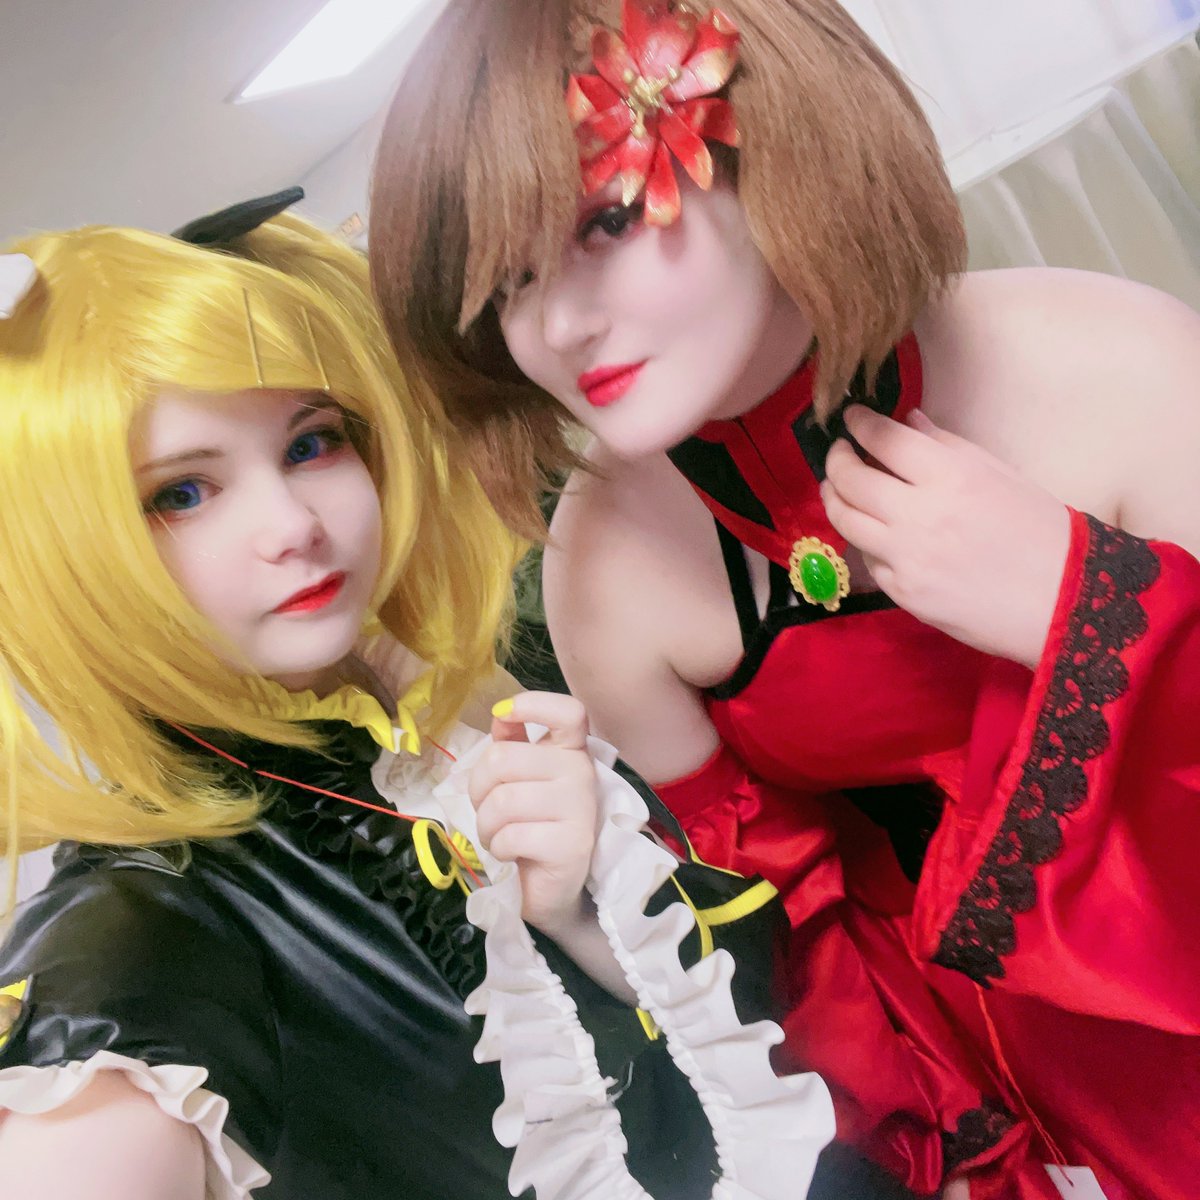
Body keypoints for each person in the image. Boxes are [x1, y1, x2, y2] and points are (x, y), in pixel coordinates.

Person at [368, 2, 1200, 1197]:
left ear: (771, 139)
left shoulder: (1112, 362)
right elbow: (787, 954)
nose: (556, 324)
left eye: (607, 220)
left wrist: (1090, 608)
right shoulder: (604, 571)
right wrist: (594, 916)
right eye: (506, 284)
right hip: (994, 1122)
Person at [0, 197, 843, 1200]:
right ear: (67, 555)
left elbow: (757, 1041)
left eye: (311, 443)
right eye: (182, 493)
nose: (293, 525)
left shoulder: (448, 711)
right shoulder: (139, 930)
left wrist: (577, 915)